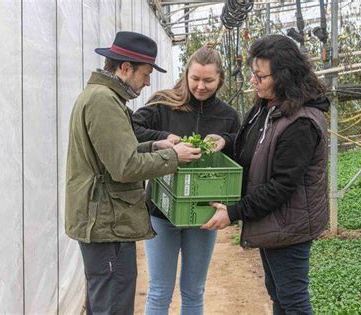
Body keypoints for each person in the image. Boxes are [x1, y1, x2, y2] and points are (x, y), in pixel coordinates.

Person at [65, 31, 202, 315]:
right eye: (146, 73)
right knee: (113, 306)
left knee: (103, 303)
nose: (148, 81)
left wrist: (154, 145)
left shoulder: (101, 96)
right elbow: (124, 167)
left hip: (103, 220)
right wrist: (172, 156)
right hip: (107, 223)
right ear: (125, 68)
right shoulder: (104, 101)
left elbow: (112, 154)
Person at [202, 35, 330, 314]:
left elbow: (281, 186)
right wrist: (227, 141)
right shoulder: (269, 106)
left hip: (289, 224)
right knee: (279, 294)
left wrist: (234, 211)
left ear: (283, 77)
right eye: (253, 73)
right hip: (273, 221)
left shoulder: (301, 123)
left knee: (293, 300)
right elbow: (254, 145)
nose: (253, 81)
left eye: (260, 76)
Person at [132, 44, 240, 314]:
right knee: (159, 292)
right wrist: (162, 139)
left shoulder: (228, 116)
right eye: (195, 78)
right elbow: (131, 129)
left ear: (220, 79)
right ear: (186, 74)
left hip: (203, 214)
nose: (200, 86)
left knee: (194, 292)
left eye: (208, 80)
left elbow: (244, 149)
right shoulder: (164, 103)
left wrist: (226, 140)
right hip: (161, 211)